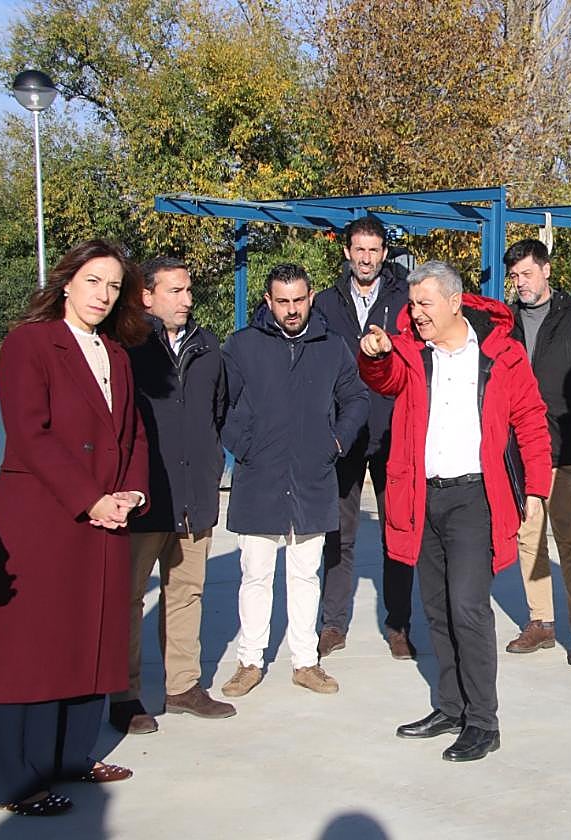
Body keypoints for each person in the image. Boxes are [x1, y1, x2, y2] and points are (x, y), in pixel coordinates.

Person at [0, 239, 151, 816]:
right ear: (68, 281)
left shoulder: (116, 353)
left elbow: (132, 435)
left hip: (103, 518)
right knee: (29, 650)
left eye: (113, 286)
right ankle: (16, 779)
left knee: (87, 638)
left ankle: (73, 758)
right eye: (94, 281)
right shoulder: (30, 342)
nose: (103, 295)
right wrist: (90, 498)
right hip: (42, 519)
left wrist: (130, 492)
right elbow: (29, 433)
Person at [358, 260, 551, 762]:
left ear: (453, 302)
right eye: (412, 304)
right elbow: (384, 378)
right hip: (423, 495)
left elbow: (530, 418)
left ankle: (484, 721)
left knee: (468, 607)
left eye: (425, 304)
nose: (415, 313)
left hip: (474, 499)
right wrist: (374, 354)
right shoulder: (411, 353)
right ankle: (450, 706)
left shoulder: (500, 355)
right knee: (436, 608)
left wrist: (536, 488)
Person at [219, 264, 369, 697]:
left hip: (312, 476)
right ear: (268, 301)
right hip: (259, 477)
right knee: (255, 575)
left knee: (306, 575)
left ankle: (305, 662)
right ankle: (249, 661)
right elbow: (220, 403)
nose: (291, 310)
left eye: (298, 300)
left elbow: (356, 397)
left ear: (311, 297)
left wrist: (335, 443)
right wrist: (242, 443)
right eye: (282, 301)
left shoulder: (331, 346)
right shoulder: (243, 346)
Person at [108, 257, 236, 735]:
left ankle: (183, 686)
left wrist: (208, 464)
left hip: (194, 495)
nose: (187, 299)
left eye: (188, 290)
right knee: (129, 598)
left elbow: (217, 411)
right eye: (176, 291)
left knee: (187, 594)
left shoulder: (207, 347)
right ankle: (124, 695)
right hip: (144, 498)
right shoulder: (126, 348)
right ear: (146, 295)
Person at [502, 239, 571, 666]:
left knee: (569, 539)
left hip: (562, 452)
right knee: (528, 539)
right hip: (519, 454)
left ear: (546, 270)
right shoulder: (506, 323)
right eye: (514, 277)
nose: (521, 283)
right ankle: (541, 623)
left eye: (527, 274)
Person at [312, 217, 413, 661]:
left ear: (384, 254)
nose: (366, 258)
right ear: (347, 252)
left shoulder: (405, 298)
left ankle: (398, 625)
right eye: (359, 249)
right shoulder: (326, 302)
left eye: (374, 250)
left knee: (398, 531)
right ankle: (333, 623)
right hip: (344, 432)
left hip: (393, 428)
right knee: (339, 532)